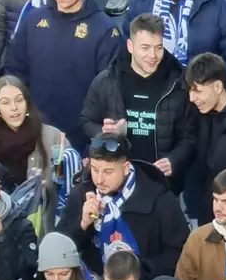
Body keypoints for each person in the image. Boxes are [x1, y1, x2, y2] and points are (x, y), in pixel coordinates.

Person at [5, 0, 121, 146]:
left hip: (83, 142)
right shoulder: (33, 21)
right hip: (35, 135)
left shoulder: (105, 31)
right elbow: (15, 74)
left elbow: (110, 95)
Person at [81, 14, 195, 182]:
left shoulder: (180, 84)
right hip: (118, 180)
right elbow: (86, 121)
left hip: (162, 182)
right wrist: (103, 132)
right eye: (145, 47)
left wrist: (174, 161)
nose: (153, 55)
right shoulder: (106, 80)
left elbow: (190, 136)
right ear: (130, 46)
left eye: (158, 47)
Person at [58, 134, 189, 277]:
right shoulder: (82, 193)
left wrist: (140, 273)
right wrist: (82, 225)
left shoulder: (159, 198)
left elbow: (179, 251)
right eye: (95, 170)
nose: (99, 179)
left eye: (108, 171)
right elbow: (59, 248)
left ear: (126, 168)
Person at [181, 53, 226, 222]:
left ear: (218, 86)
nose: (192, 99)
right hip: (204, 217)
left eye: (198, 91)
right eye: (190, 91)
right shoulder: (197, 114)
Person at [0, 77, 68, 187]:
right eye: (6, 102)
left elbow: (70, 179)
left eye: (19, 100)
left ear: (27, 103)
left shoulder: (52, 137)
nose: (14, 107)